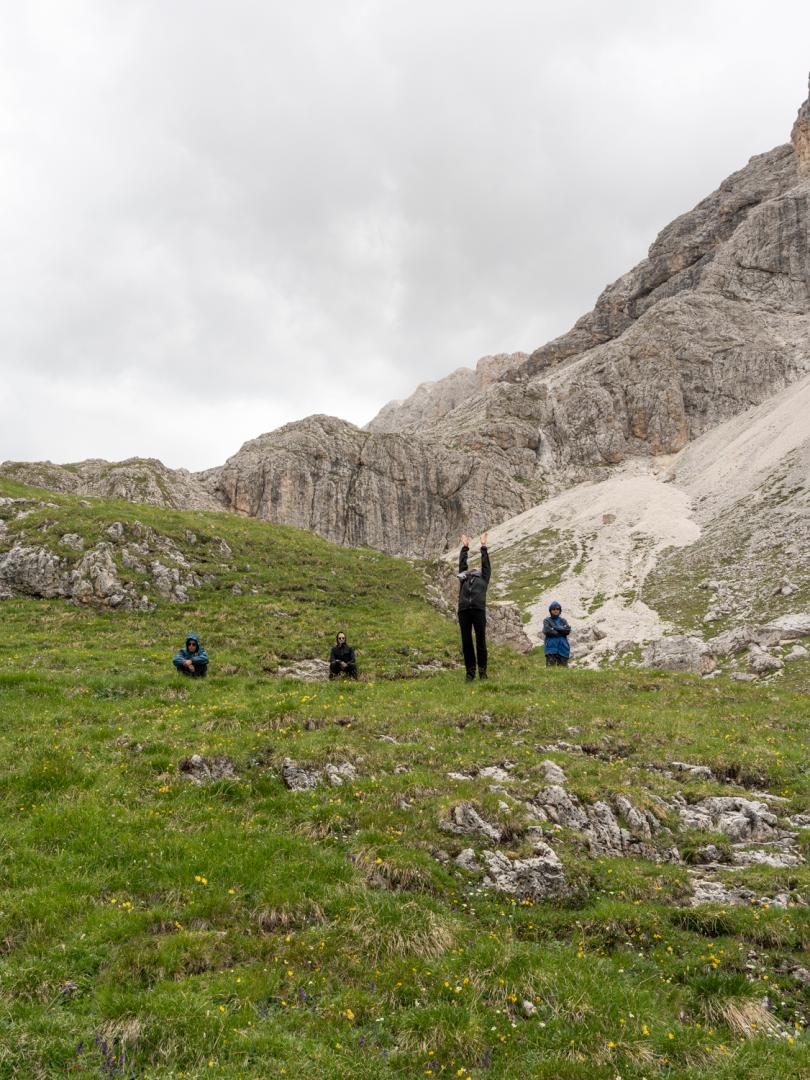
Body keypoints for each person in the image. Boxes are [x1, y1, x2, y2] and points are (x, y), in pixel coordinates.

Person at [457, 532, 491, 681]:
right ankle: (470, 674)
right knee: (466, 643)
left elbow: (486, 565)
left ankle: (482, 673)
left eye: (476, 568)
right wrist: (465, 547)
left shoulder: (484, 578)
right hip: (464, 611)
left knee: (480, 642)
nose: (473, 568)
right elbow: (462, 564)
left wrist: (483, 546)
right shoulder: (463, 579)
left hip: (478, 610)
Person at [543, 602, 571, 667]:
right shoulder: (547, 620)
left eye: (557, 609)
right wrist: (561, 630)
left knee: (563, 670)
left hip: (563, 649)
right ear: (550, 611)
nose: (556, 610)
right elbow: (547, 630)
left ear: (560, 610)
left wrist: (554, 628)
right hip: (551, 649)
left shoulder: (563, 620)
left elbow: (567, 631)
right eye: (553, 609)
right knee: (550, 670)